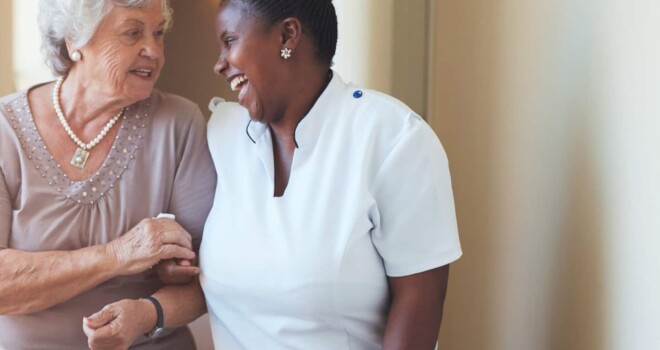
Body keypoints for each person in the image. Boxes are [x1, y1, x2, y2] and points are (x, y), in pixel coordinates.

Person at [86, 0, 462, 349]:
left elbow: (419, 302)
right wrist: (180, 264)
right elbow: (233, 254)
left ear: (287, 36)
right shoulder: (222, 135)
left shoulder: (394, 139)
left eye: (230, 40)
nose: (219, 64)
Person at [0, 0, 216, 348]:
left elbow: (211, 276)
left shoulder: (179, 124)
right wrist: (117, 255)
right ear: (74, 40)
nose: (153, 49)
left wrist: (148, 313)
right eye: (133, 33)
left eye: (158, 33)